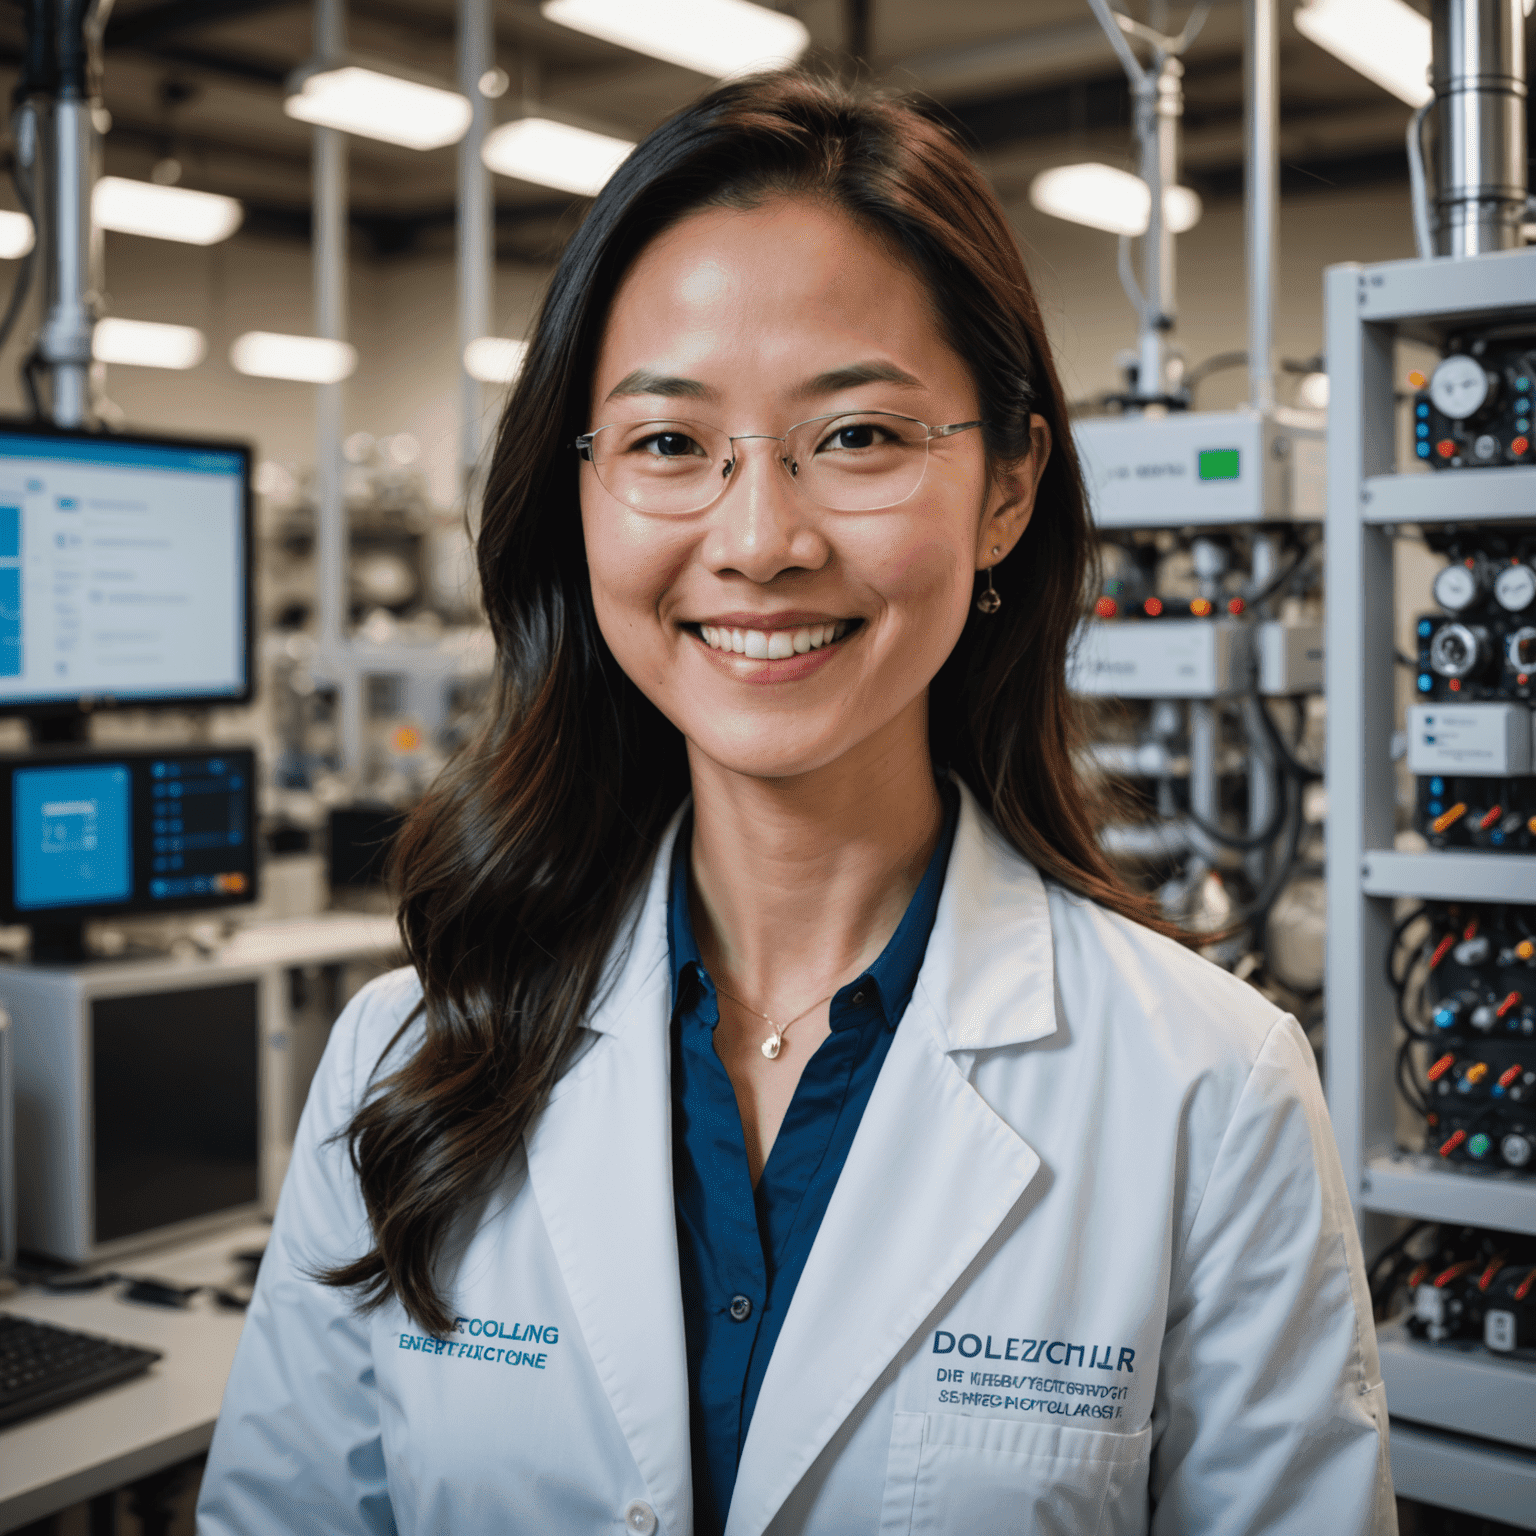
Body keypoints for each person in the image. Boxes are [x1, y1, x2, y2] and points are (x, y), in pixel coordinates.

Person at [198, 71, 1392, 1536]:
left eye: (859, 438)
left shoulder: (1211, 1092)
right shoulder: (406, 1062)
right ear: (577, 498)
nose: (759, 541)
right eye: (668, 444)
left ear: (1009, 483)